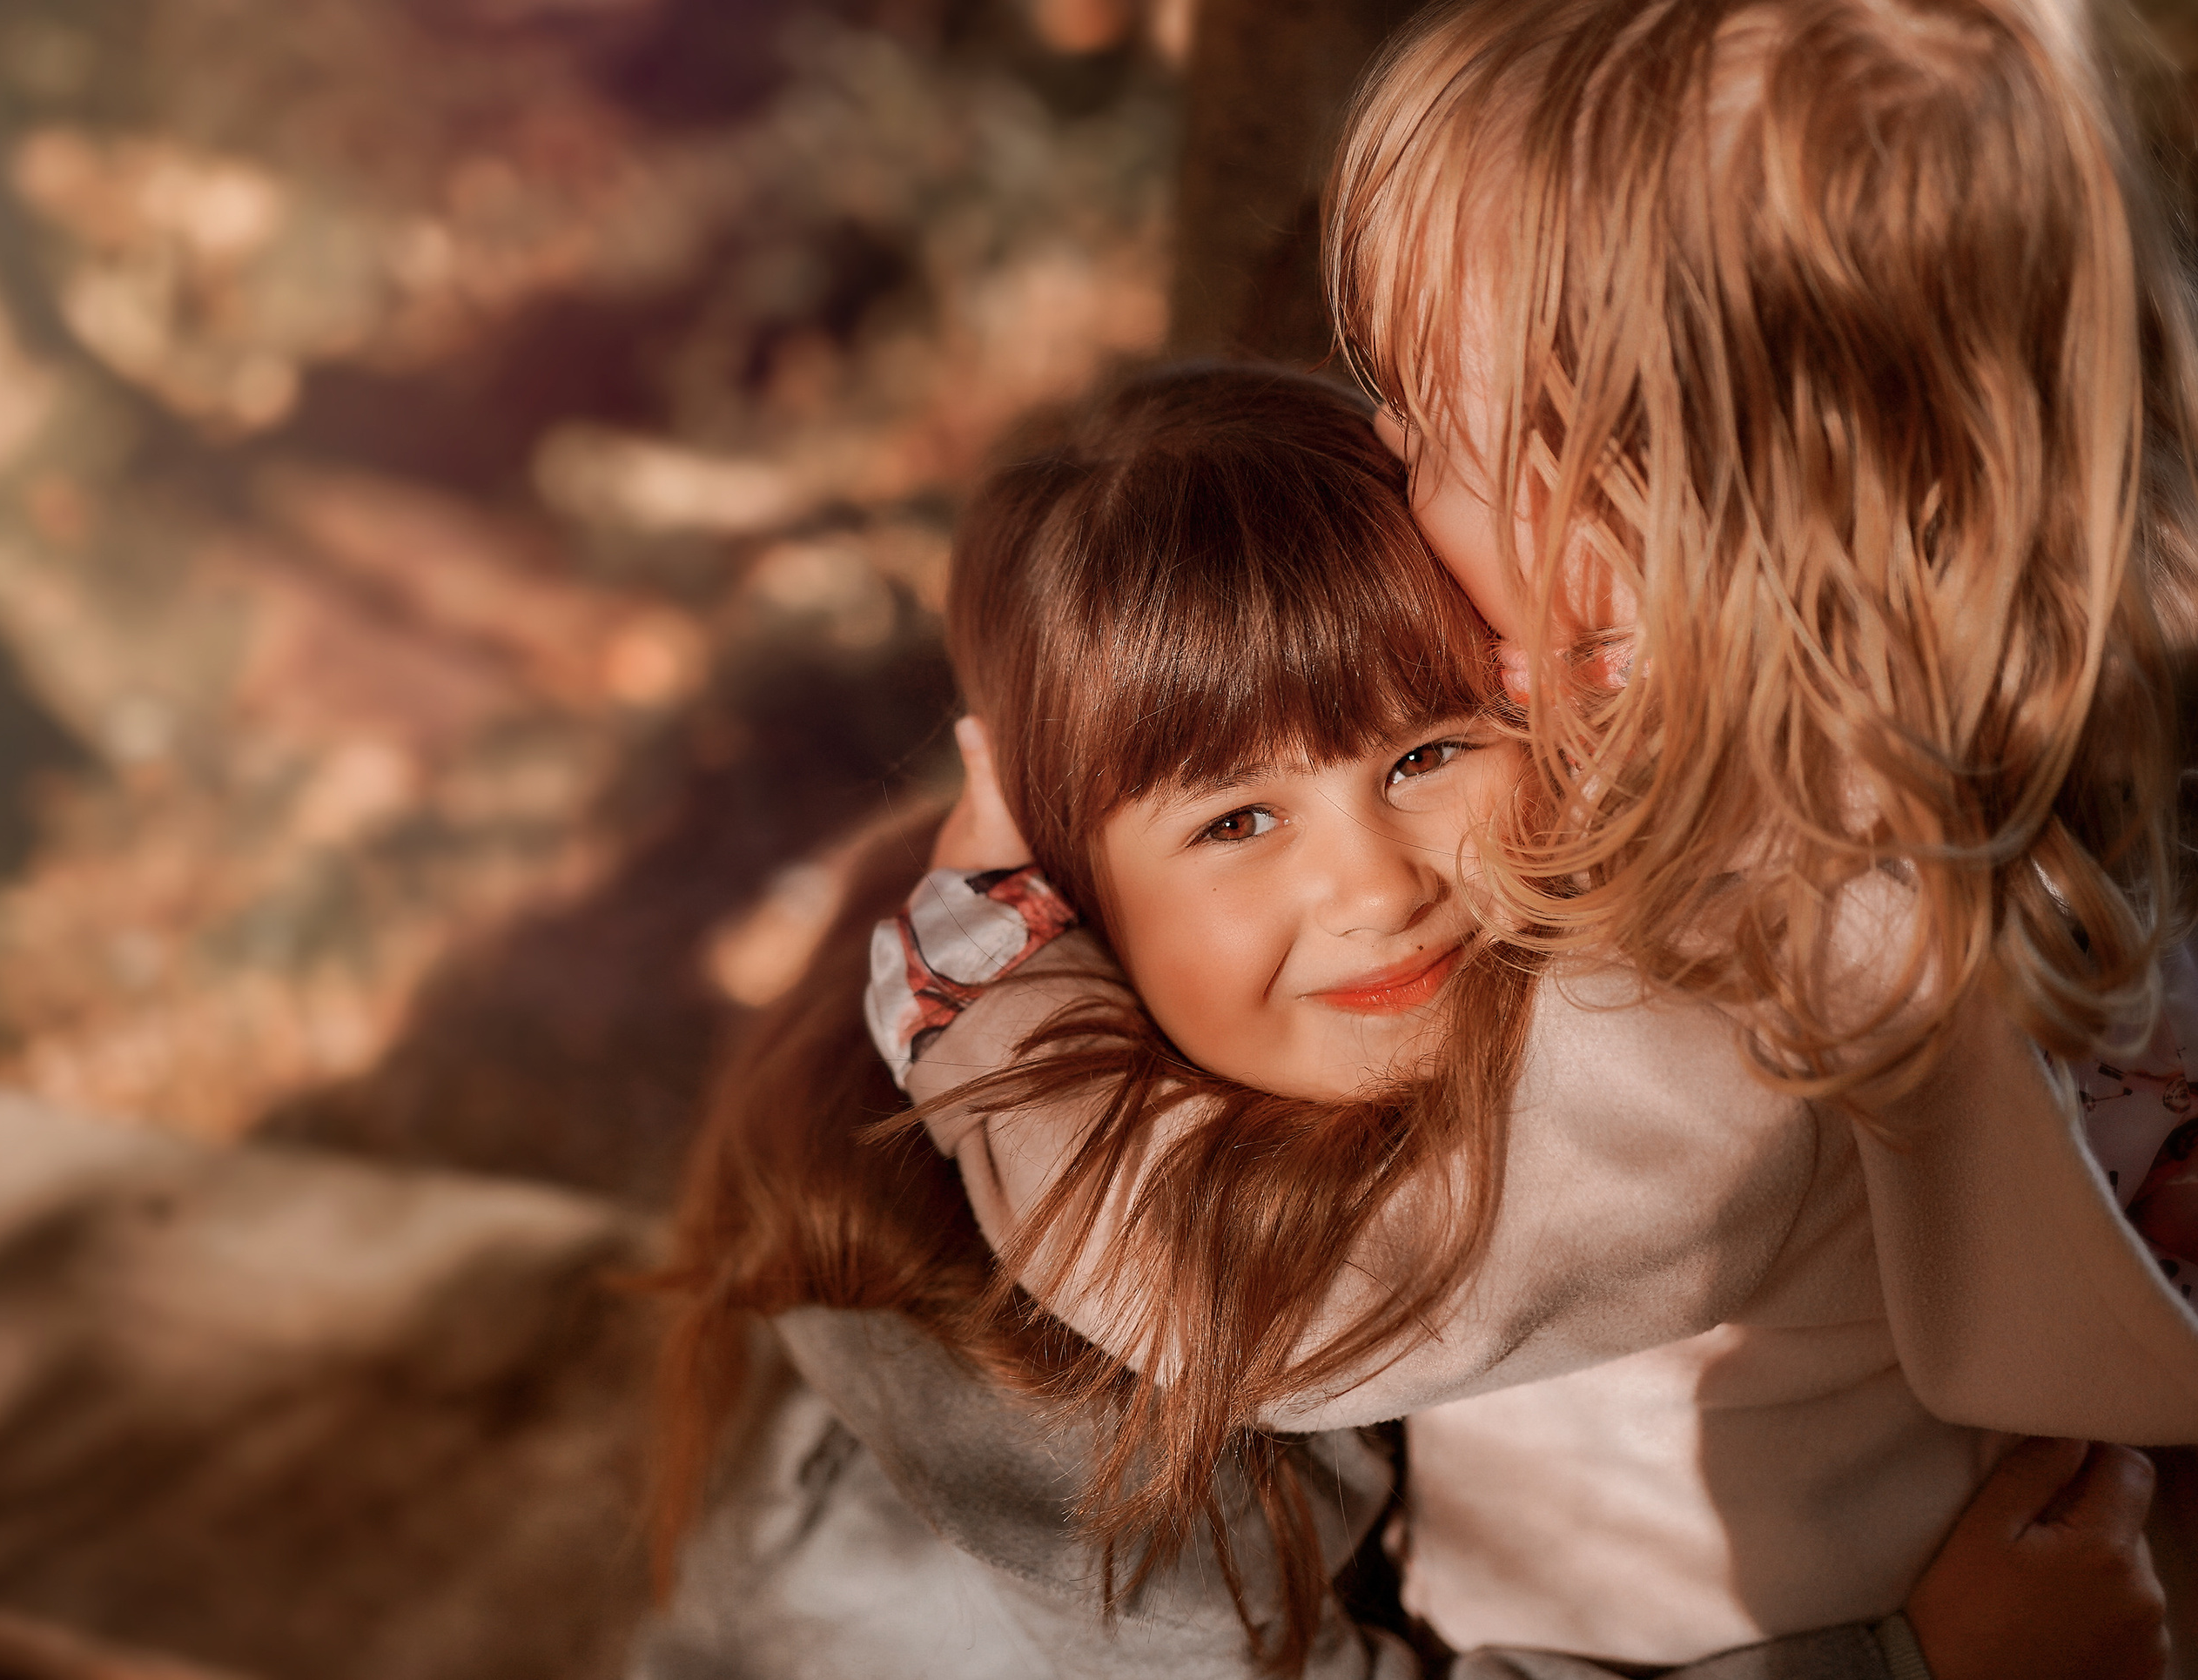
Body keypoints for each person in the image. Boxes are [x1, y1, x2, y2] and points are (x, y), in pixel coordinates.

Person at [886, 0, 2198, 1667]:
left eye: (1435, 426)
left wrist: (991, 978)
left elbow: (1312, 1307)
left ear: (1656, 504)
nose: (1387, 457)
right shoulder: (1988, 715)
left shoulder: (1754, 945)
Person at [648, 359, 2169, 1680]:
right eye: (1238, 823)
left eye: (1430, 751)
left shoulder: (1520, 1037)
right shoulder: (1013, 1341)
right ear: (1055, 887)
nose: (1378, 884)